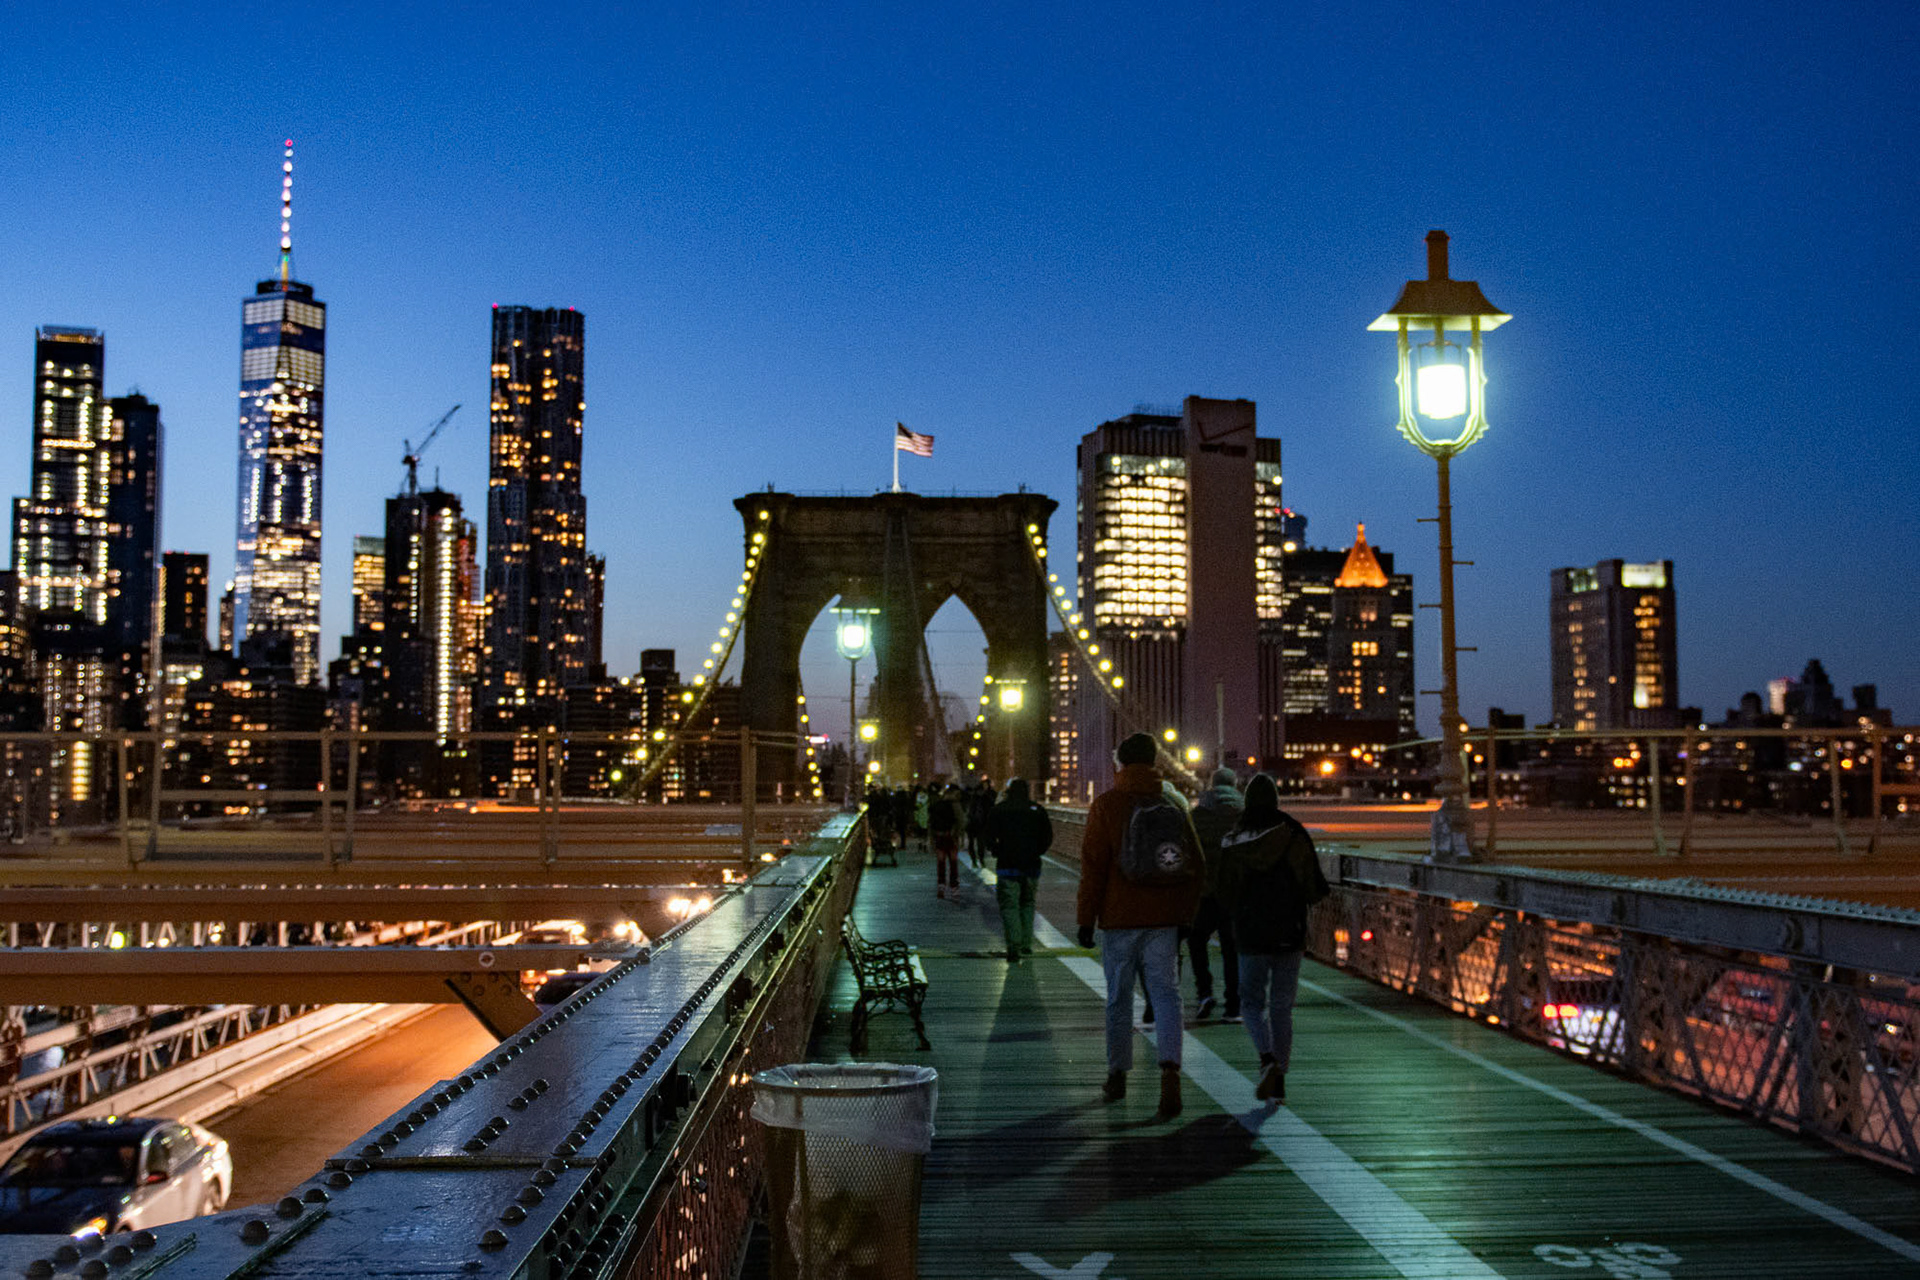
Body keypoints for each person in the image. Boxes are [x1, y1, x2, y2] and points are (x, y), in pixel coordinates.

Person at [1076, 731, 1204, 1118]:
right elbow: (1196, 864)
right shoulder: (1173, 804)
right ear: (1154, 762)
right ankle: (1170, 1078)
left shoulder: (1107, 805)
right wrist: (1185, 915)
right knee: (1167, 997)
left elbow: (1093, 868)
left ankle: (1117, 1074)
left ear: (1120, 763)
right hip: (1164, 919)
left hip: (1118, 919)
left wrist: (1085, 920)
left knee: (1118, 998)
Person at [1215, 773, 1329, 1104]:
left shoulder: (1235, 838)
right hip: (1290, 932)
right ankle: (1280, 1074)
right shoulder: (1293, 834)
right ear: (1276, 800)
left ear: (1247, 801)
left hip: (1250, 934)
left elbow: (1224, 891)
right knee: (1282, 1006)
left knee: (1250, 1002)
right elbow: (1314, 886)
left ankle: (1266, 1060)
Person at [1188, 767, 1244, 1021]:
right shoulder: (1243, 816)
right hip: (1233, 895)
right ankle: (1234, 1004)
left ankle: (1205, 993)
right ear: (1234, 786)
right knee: (1232, 950)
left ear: (1211, 786)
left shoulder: (1196, 816)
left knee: (1196, 941)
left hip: (1204, 893)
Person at [981, 777, 1051, 962]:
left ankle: (1013, 945)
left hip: (1007, 865)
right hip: (1031, 865)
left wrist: (997, 850)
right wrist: (1036, 852)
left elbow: (988, 836)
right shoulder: (1037, 810)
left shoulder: (999, 810)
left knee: (1009, 905)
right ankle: (1026, 944)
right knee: (1028, 903)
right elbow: (1047, 837)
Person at [927, 784, 961, 897]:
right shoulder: (955, 805)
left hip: (939, 836)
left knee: (941, 863)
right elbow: (961, 821)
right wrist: (958, 835)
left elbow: (930, 822)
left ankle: (941, 886)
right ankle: (954, 887)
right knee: (953, 863)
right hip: (951, 836)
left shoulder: (936, 805)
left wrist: (931, 840)